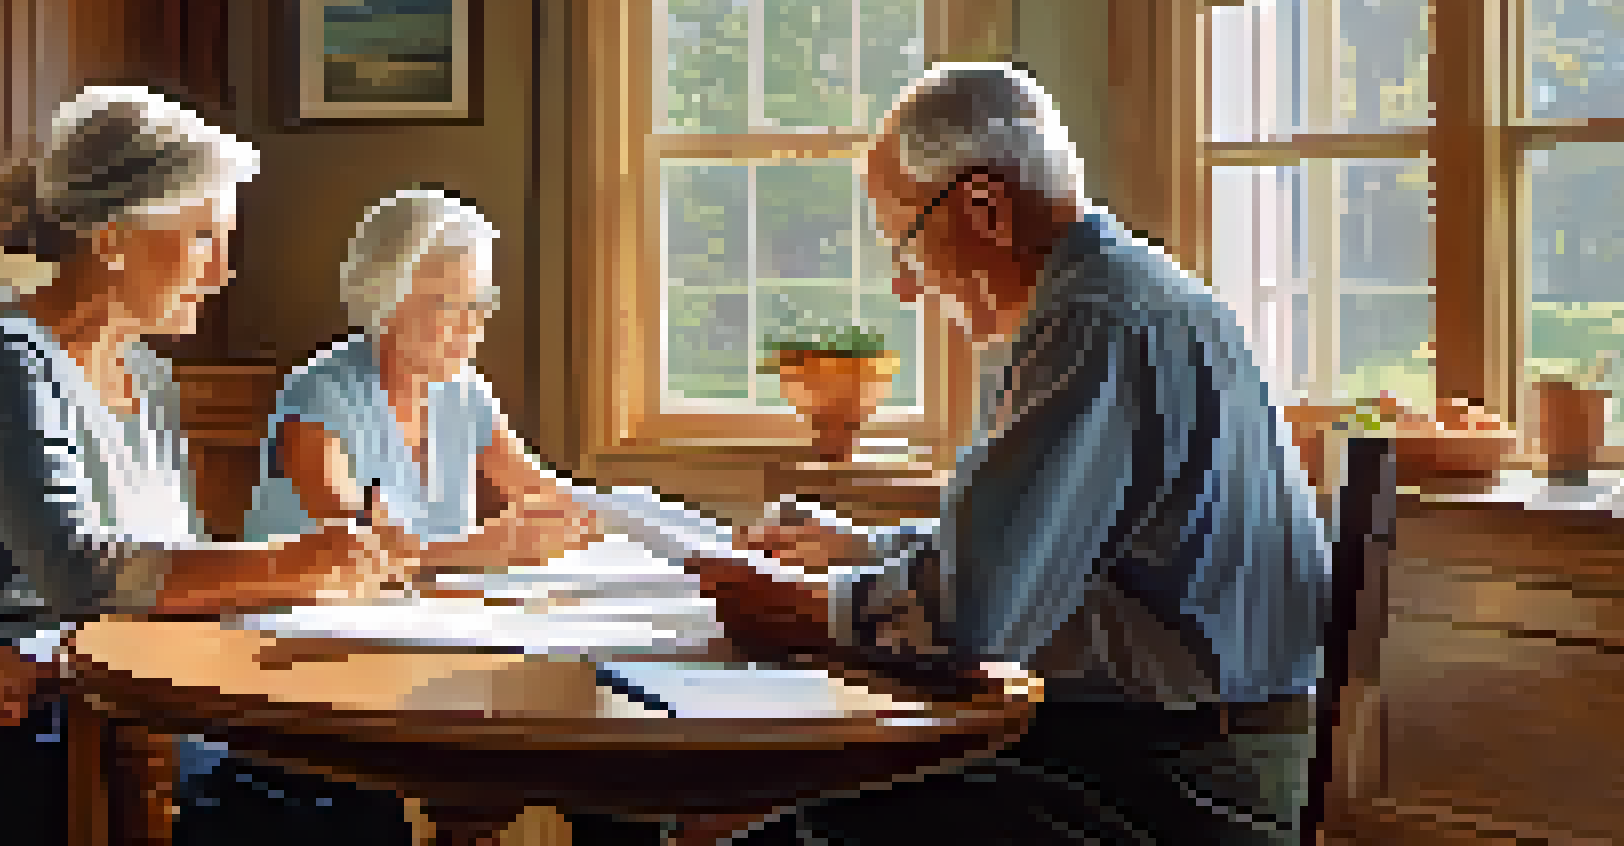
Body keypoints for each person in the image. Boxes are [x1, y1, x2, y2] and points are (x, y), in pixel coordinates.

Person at [685, 63, 1332, 846]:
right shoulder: (1130, 294)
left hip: (1176, 787)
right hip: (1188, 751)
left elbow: (972, 619)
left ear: (982, 206)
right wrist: (862, 549)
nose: (904, 285)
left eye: (905, 243)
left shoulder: (1092, 323)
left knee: (778, 832)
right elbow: (1033, 556)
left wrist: (789, 604)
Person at [0, 86, 423, 846]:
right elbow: (84, 574)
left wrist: (51, 654)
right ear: (112, 239)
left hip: (100, 685)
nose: (222, 270)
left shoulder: (151, 378)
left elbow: (172, 578)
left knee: (362, 809)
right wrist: (299, 562)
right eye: (203, 235)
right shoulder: (5, 361)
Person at [230, 189, 669, 846]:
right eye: (444, 303)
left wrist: (644, 525)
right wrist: (480, 549)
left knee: (611, 761)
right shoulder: (320, 394)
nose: (468, 325)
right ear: (385, 298)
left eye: (477, 304)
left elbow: (543, 492)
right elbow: (352, 544)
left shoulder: (464, 391)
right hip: (302, 657)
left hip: (424, 643)